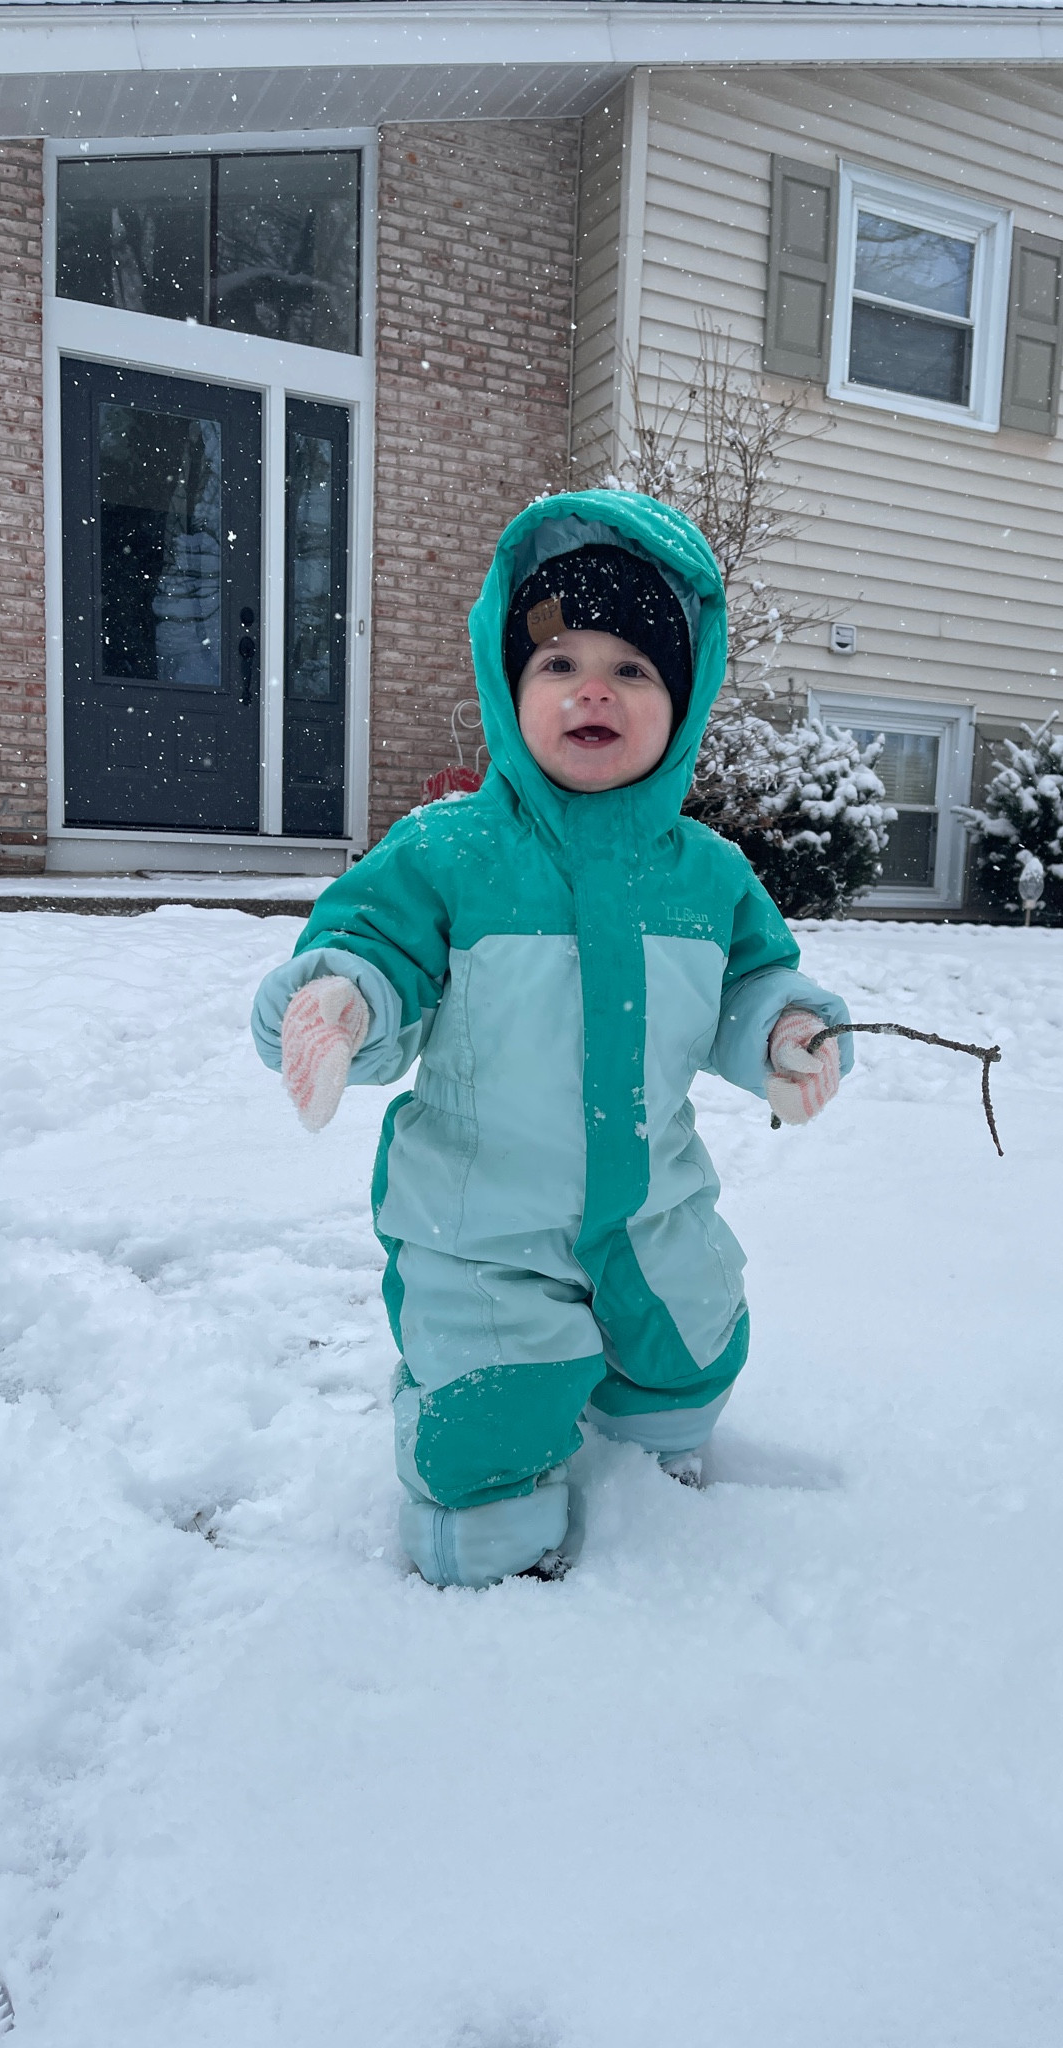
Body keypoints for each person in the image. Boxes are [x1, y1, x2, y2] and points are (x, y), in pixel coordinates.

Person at [251, 491, 851, 1587]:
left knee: (693, 1366)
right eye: (558, 661)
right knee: (487, 1461)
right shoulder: (453, 851)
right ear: (509, 686)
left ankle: (640, 1436)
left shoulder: (707, 874)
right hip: (484, 1224)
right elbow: (375, 943)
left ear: (682, 700)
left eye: (633, 668)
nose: (592, 687)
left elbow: (755, 980)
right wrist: (341, 1001)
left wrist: (791, 1034)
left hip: (652, 1212)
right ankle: (469, 1436)